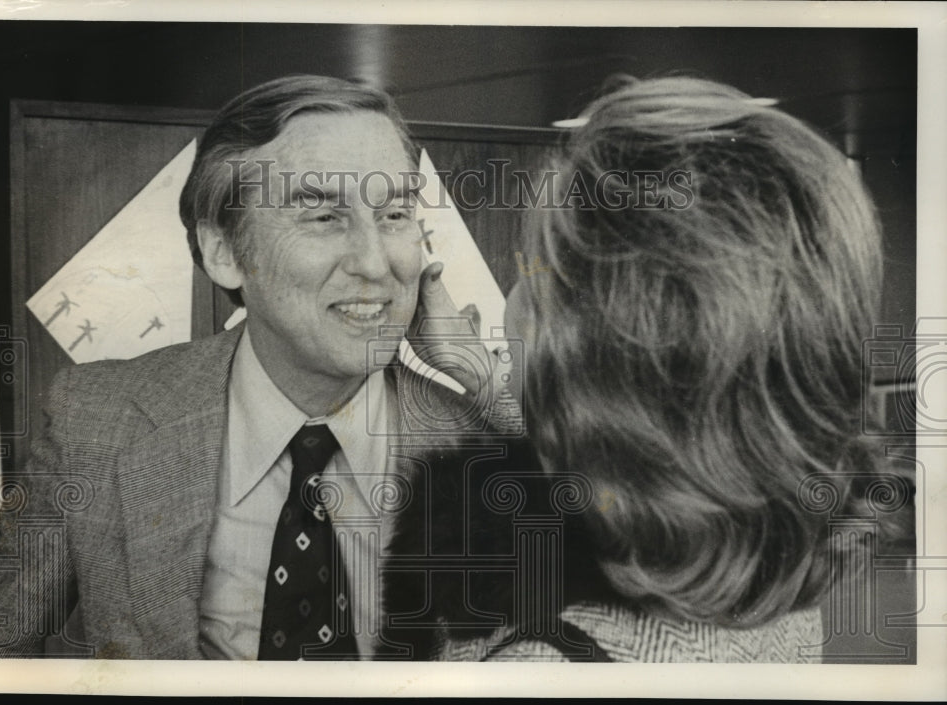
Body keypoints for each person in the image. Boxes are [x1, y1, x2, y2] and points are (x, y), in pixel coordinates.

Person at [0, 75, 488, 660]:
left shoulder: (486, 440)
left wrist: (492, 389)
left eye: (394, 214)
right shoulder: (94, 418)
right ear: (225, 253)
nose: (376, 263)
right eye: (323, 218)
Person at [385, 75, 901, 662]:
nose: (510, 301)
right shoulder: (772, 573)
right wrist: (483, 376)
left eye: (534, 275)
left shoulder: (547, 663)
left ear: (601, 361)